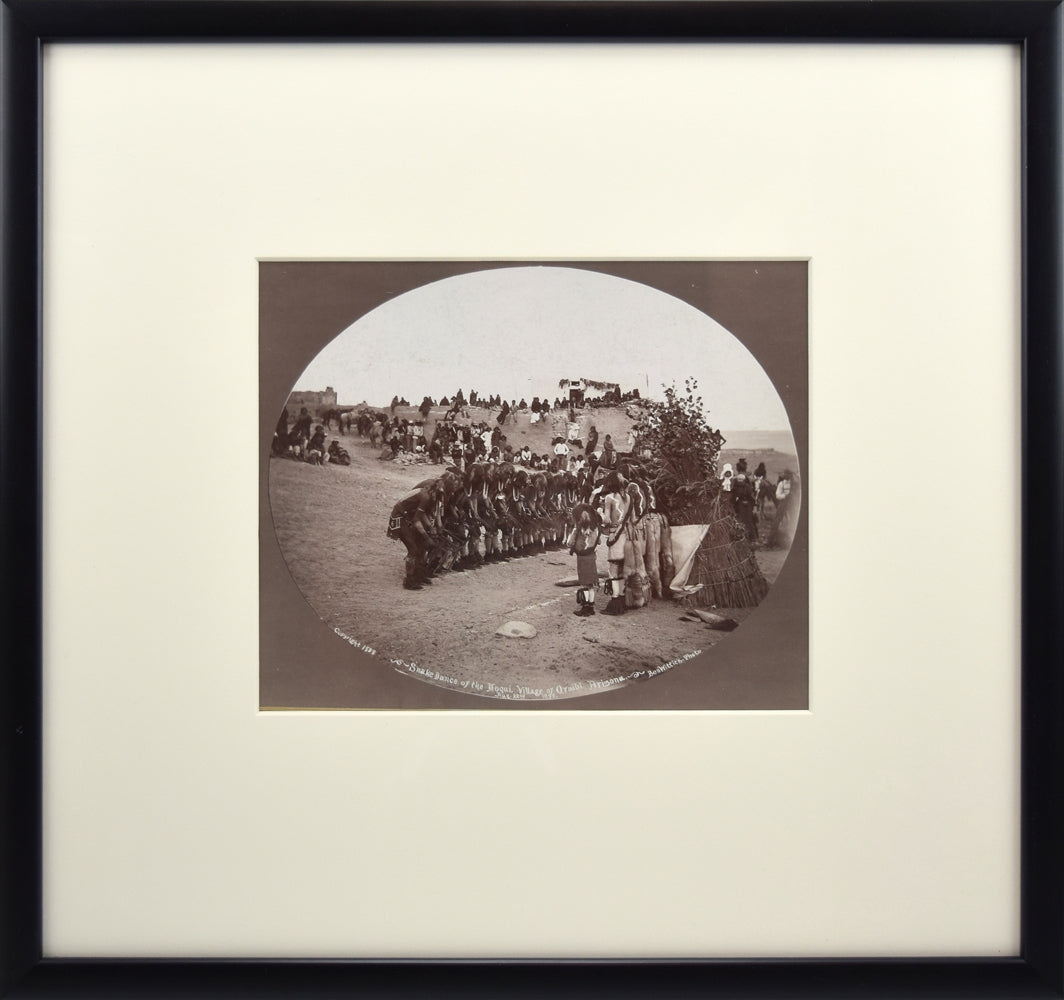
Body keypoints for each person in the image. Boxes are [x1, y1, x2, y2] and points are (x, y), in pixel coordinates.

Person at [567, 507, 601, 617]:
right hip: (592, 556)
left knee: (584, 583)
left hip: (582, 557)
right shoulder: (595, 529)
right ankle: (591, 606)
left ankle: (585, 607)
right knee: (591, 583)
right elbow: (599, 542)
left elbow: (569, 543)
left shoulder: (578, 529)